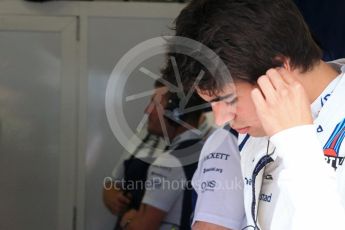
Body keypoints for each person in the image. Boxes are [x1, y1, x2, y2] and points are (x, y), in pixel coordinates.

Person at [165, 0, 345, 229]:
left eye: (227, 99)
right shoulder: (254, 128)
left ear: (279, 70)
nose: (221, 119)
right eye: (210, 103)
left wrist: (297, 144)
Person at [115, 76, 209, 230]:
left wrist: (128, 220)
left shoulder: (169, 162)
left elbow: (143, 227)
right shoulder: (207, 153)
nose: (147, 110)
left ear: (175, 112)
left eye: (155, 103)